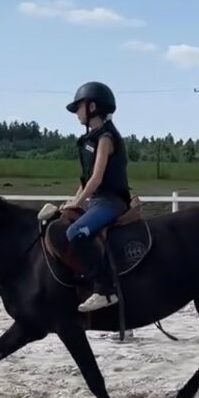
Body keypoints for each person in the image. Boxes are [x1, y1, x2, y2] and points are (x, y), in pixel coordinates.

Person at [62, 81, 132, 313]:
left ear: (92, 107)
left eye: (79, 107)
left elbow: (97, 179)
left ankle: (105, 290)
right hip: (96, 201)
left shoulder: (105, 138)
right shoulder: (92, 138)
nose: (77, 114)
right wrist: (73, 201)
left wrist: (78, 202)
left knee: (74, 233)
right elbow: (85, 180)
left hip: (111, 202)